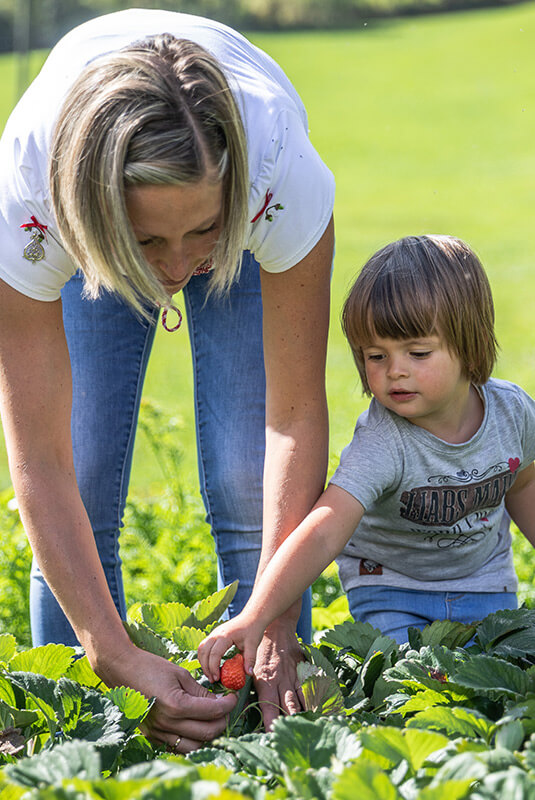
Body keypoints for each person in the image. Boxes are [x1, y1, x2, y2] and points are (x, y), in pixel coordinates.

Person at [0, 9, 335, 751]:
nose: (179, 268)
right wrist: (110, 654)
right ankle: (79, 736)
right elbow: (44, 460)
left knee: (246, 470)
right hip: (88, 224)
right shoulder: (27, 200)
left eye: (199, 233)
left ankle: (274, 718)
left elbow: (292, 415)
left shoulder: (280, 172)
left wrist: (277, 614)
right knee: (85, 466)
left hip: (246, 209)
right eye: (151, 239)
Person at [198, 234, 535, 681]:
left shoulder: (513, 413)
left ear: (468, 344)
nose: (395, 370)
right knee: (408, 687)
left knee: (501, 685)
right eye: (376, 356)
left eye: (418, 353)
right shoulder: (383, 439)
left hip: (486, 587)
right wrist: (255, 614)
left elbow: (524, 484)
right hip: (392, 591)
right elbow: (323, 532)